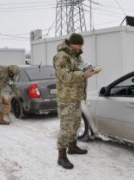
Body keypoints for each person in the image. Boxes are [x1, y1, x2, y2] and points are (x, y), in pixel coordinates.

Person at [53, 33, 97, 169]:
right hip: (66, 98)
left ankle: (72, 147)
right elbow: (65, 76)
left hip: (76, 96)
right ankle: (61, 156)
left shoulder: (76, 55)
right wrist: (83, 74)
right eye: (78, 45)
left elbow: (79, 68)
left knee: (76, 123)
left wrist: (88, 70)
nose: (80, 47)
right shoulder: (61, 56)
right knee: (66, 127)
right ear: (71, 43)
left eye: (81, 45)